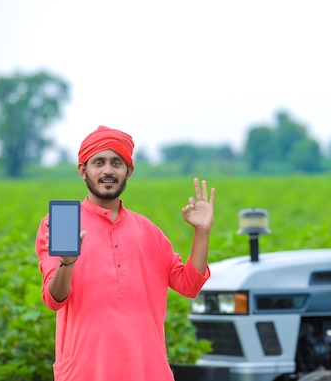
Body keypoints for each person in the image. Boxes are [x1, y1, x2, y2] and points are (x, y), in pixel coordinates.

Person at [35, 125, 215, 381]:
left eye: (116, 163)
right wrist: (67, 263)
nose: (108, 170)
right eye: (98, 162)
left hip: (148, 372)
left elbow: (189, 285)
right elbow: (54, 299)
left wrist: (202, 233)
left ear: (128, 171)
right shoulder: (61, 224)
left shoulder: (148, 231)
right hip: (85, 372)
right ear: (82, 170)